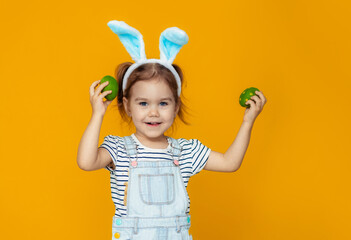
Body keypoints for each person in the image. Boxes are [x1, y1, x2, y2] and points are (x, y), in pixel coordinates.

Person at [77, 21, 267, 240]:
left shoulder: (185, 151)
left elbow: (229, 163)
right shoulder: (118, 149)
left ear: (176, 107)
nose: (154, 112)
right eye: (143, 103)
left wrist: (247, 121)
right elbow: (86, 162)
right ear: (127, 106)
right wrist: (97, 114)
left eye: (163, 103)